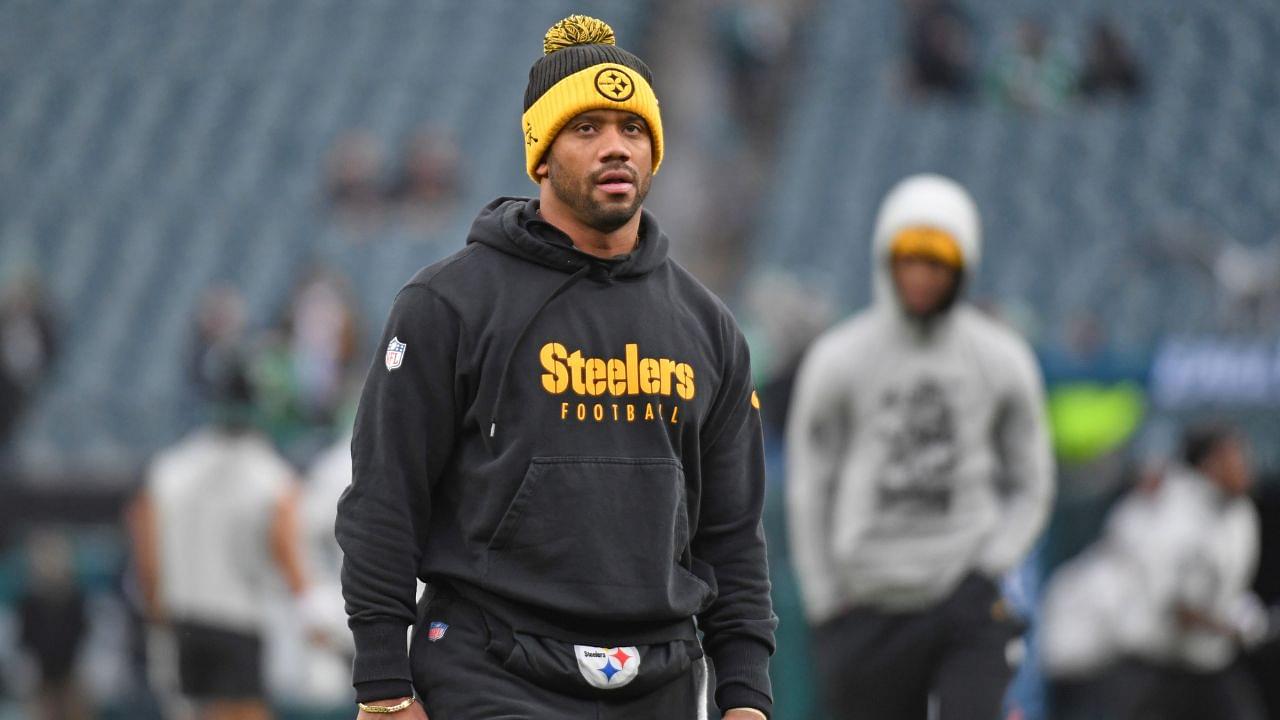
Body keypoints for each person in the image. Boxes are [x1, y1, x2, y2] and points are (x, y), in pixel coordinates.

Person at [336, 15, 776, 720]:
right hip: (492, 669)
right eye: (587, 128)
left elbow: (730, 531)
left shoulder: (709, 328)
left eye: (632, 130)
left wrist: (745, 696)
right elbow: (385, 499)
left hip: (659, 678)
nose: (615, 148)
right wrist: (385, 684)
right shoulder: (447, 303)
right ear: (541, 154)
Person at [786, 174, 1054, 720]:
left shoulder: (1002, 359)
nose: (922, 276)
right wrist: (824, 597)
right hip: (864, 602)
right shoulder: (839, 358)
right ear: (886, 259)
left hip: (963, 595)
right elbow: (810, 483)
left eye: (937, 262)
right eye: (909, 259)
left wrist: (990, 565)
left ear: (963, 266)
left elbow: (1033, 481)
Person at [130, 356, 316, 720]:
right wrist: (309, 609)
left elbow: (147, 554)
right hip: (238, 622)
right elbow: (286, 551)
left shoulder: (170, 469)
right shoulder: (271, 476)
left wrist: (157, 612)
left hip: (183, 622)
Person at [1043, 425, 1271, 720]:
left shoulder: (1240, 513)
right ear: (1210, 464)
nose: (1245, 466)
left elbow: (1224, 587)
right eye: (1235, 458)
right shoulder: (1171, 510)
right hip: (1152, 665)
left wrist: (1240, 613)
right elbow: (1175, 607)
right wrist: (1230, 626)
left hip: (1207, 663)